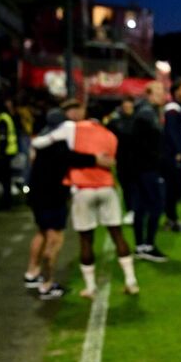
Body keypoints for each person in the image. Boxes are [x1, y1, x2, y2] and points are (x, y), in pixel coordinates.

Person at [32, 101, 139, 298]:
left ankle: (89, 287)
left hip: (82, 189)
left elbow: (44, 143)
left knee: (86, 239)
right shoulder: (110, 135)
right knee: (117, 234)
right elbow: (112, 160)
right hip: (107, 187)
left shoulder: (74, 128)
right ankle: (131, 280)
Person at [25, 106, 114, 299]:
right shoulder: (58, 143)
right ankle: (47, 284)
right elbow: (70, 158)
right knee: (55, 239)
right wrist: (95, 159)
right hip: (52, 195)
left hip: (37, 194)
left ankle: (32, 273)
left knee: (42, 232)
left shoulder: (43, 140)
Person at [131, 80, 167, 261]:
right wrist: (156, 161)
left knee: (141, 207)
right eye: (158, 90)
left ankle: (140, 246)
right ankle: (148, 246)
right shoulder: (146, 114)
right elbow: (141, 144)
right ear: (149, 93)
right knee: (156, 205)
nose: (162, 93)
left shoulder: (147, 111)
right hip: (147, 169)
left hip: (142, 168)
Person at [162, 79, 181, 232]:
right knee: (172, 190)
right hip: (173, 157)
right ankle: (171, 220)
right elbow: (171, 132)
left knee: (174, 190)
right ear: (176, 91)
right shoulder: (172, 109)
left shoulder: (177, 108)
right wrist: (179, 152)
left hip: (175, 155)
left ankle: (171, 219)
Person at [106, 95, 136, 225]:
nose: (127, 106)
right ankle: (130, 210)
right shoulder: (115, 121)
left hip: (137, 159)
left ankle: (136, 210)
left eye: (129, 104)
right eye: (125, 104)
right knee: (126, 186)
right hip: (122, 159)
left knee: (136, 186)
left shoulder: (138, 120)